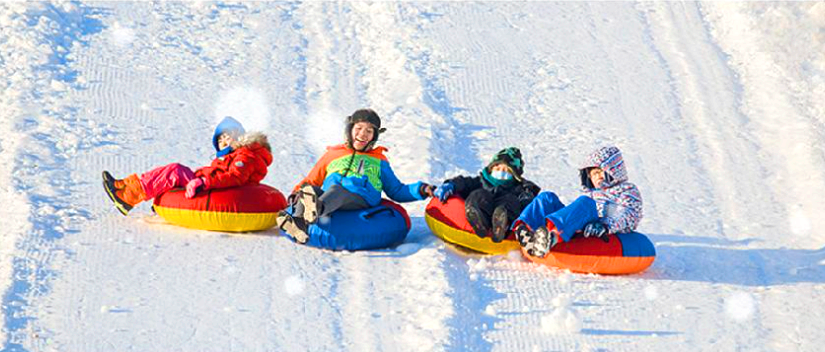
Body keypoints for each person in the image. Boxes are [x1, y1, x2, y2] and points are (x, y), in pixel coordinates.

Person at [277, 109, 434, 243]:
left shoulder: (379, 161)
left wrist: (421, 190)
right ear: (350, 130)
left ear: (374, 137)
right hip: (330, 194)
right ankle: (297, 221)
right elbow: (312, 179)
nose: (363, 134)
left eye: (369, 131)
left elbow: (397, 190)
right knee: (310, 189)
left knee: (337, 190)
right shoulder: (332, 154)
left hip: (361, 198)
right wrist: (296, 194)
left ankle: (314, 211)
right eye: (358, 128)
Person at [102, 116, 273, 215]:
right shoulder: (234, 155)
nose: (222, 141)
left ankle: (128, 195)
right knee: (176, 171)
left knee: (176, 171)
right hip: (211, 186)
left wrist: (204, 182)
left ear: (238, 136)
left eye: (226, 136)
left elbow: (235, 177)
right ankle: (125, 186)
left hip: (217, 190)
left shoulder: (245, 155)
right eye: (220, 139)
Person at [513, 146, 643, 257]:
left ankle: (551, 238)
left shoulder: (626, 191)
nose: (596, 177)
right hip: (581, 223)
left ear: (613, 171)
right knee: (547, 197)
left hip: (600, 228)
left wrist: (606, 225)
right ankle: (524, 230)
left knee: (585, 202)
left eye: (600, 172)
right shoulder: (591, 193)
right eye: (593, 174)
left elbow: (629, 214)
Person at [432, 147, 540, 242]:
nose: (501, 173)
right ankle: (478, 221)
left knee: (509, 202)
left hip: (503, 216)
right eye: (497, 169)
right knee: (478, 195)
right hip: (484, 211)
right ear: (491, 169)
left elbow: (527, 202)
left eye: (507, 171)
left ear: (515, 176)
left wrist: (527, 197)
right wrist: (451, 185)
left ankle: (501, 225)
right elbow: (463, 183)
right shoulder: (480, 181)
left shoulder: (518, 188)